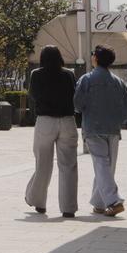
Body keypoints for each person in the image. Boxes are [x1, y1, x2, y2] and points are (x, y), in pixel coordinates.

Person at [74, 44, 127, 217]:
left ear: (96, 58)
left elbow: (77, 105)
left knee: (101, 164)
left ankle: (114, 201)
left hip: (93, 127)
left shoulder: (86, 79)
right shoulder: (119, 82)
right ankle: (99, 203)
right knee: (107, 166)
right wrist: (117, 120)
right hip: (113, 129)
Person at [24, 45, 78, 218]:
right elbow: (74, 95)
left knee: (43, 163)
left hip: (45, 120)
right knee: (68, 165)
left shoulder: (36, 74)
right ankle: (68, 208)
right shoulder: (69, 74)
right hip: (67, 120)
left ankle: (38, 201)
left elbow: (33, 96)